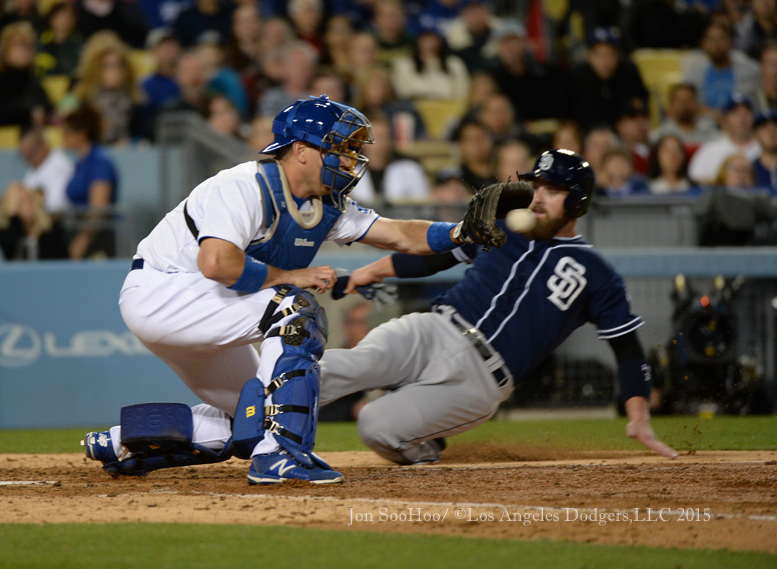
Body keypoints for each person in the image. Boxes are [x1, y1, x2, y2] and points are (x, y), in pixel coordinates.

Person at [81, 96, 516, 484]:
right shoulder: (243, 185)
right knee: (295, 308)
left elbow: (400, 234)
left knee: (252, 413)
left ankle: (123, 441)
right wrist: (288, 277)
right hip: (163, 292)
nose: (347, 160)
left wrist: (460, 231)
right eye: (339, 148)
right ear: (302, 151)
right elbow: (215, 262)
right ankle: (281, 455)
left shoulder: (324, 202)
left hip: (204, 304)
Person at [320, 149, 677, 465]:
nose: (538, 198)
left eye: (552, 191)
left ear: (577, 204)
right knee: (350, 363)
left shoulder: (598, 274)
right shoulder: (502, 228)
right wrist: (365, 272)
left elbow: (627, 347)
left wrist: (639, 415)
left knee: (375, 425)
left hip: (480, 378)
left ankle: (426, 442)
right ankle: (270, 419)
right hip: (433, 329)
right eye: (536, 188)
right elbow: (431, 260)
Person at [62, 104, 118, 259]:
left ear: (81, 133)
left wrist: (82, 241)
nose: (62, 136)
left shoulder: (99, 161)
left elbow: (98, 210)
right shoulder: (80, 163)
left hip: (98, 241)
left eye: (67, 132)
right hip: (79, 233)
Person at [0, 21, 51, 133]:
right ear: (5, 49)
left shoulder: (34, 82)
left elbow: (46, 109)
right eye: (20, 44)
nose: (26, 50)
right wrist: (28, 113)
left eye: (29, 45)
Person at [688, 93, 761, 183]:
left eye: (746, 112)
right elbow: (696, 185)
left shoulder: (768, 148)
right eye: (735, 113)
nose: (742, 118)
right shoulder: (710, 150)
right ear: (724, 120)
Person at [752, 109, 777, 196]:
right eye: (764, 128)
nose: (771, 132)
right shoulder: (750, 169)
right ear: (755, 135)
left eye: (775, 127)